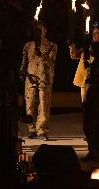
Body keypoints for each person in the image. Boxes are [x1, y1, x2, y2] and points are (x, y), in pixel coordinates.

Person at [19, 20, 57, 141]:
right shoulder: (28, 45)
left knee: (44, 104)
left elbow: (51, 62)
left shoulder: (51, 45)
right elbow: (24, 61)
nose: (39, 32)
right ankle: (32, 129)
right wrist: (22, 71)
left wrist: (43, 54)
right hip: (30, 78)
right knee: (30, 104)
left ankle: (42, 130)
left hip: (44, 78)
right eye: (37, 30)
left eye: (41, 30)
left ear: (45, 31)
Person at [80, 21, 99, 162]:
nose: (95, 36)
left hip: (95, 93)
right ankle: (93, 151)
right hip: (91, 92)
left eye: (97, 34)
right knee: (88, 125)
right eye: (93, 34)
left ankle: (95, 152)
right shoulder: (92, 50)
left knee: (93, 125)